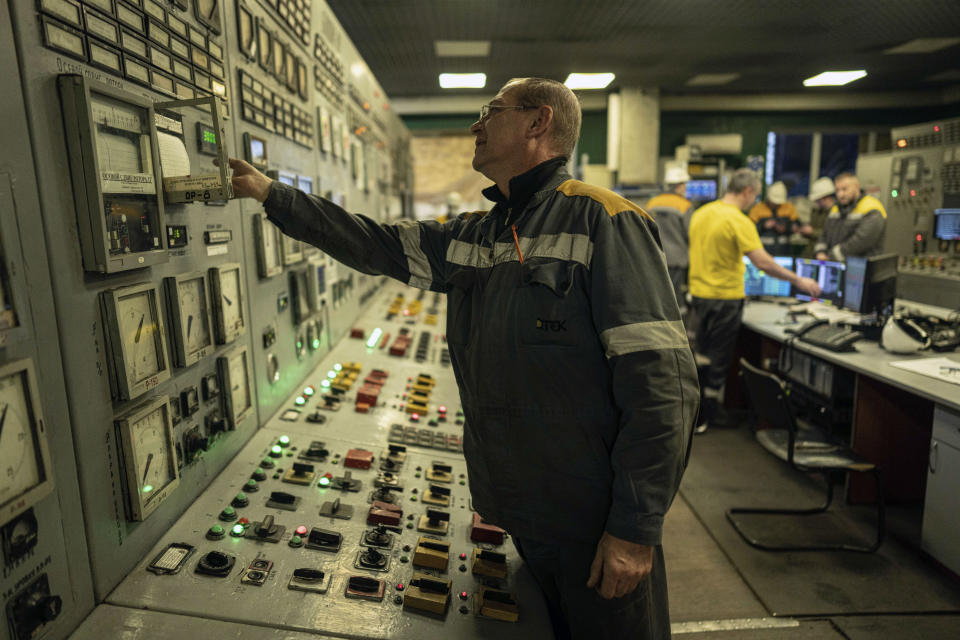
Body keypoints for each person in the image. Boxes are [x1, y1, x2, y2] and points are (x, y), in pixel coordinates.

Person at [228, 77, 699, 639]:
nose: (477, 125)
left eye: (490, 111)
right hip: (524, 510)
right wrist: (271, 194)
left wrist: (634, 529)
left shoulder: (605, 221)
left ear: (537, 122)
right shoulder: (481, 232)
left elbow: (663, 385)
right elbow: (375, 244)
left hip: (594, 521)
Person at [688, 169, 821, 433]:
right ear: (747, 191)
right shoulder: (738, 220)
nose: (754, 201)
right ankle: (710, 415)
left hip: (699, 296)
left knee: (699, 357)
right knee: (718, 360)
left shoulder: (701, 214)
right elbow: (762, 262)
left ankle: (694, 414)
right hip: (725, 298)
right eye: (755, 195)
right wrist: (799, 281)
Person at [645, 166, 694, 312]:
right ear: (680, 186)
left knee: (658, 296)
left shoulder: (652, 203)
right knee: (675, 297)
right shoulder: (684, 205)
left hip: (655, 256)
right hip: (677, 259)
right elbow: (690, 232)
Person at [814, 172, 886, 261]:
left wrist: (832, 256)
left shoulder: (872, 208)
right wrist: (820, 252)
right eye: (837, 190)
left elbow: (861, 242)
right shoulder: (835, 209)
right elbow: (824, 235)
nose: (840, 195)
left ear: (857, 186)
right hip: (837, 265)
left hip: (861, 267)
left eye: (844, 189)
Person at [747, 181, 812, 256]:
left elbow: (797, 225)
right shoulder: (757, 209)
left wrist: (787, 228)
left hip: (784, 251)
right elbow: (749, 230)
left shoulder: (789, 208)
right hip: (763, 250)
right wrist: (763, 225)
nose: (775, 204)